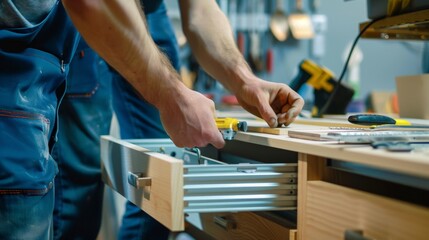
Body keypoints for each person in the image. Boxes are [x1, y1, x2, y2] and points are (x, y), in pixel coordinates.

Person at [0, 0, 304, 239]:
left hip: (133, 11)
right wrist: (171, 95)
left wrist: (244, 81)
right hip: (67, 24)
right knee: (73, 180)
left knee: (154, 181)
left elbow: (200, 11)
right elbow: (90, 4)